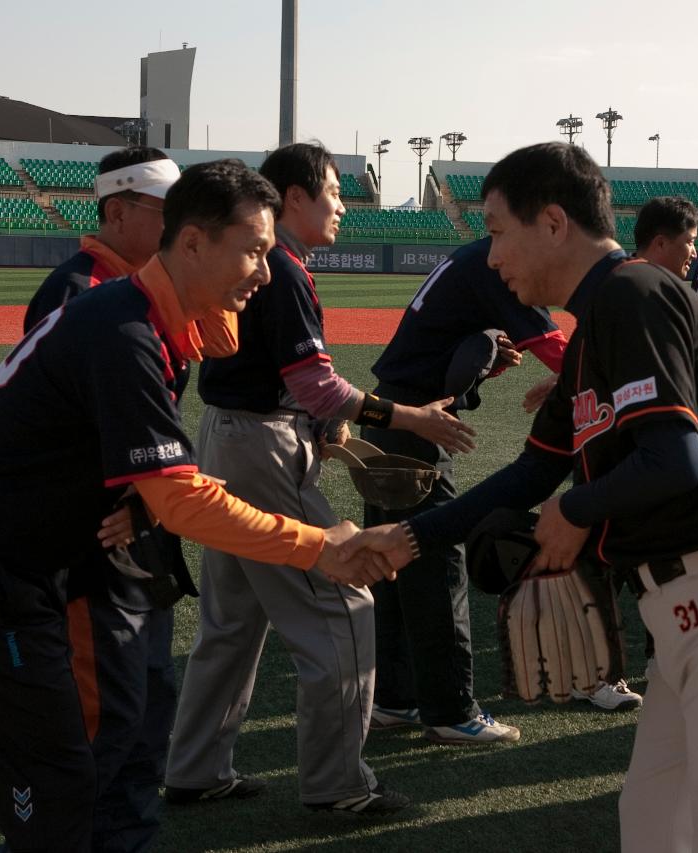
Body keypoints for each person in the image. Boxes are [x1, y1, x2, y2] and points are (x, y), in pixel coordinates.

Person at [0, 160, 390, 853]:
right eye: (256, 250)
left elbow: (139, 475)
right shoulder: (126, 332)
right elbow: (181, 499)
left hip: (3, 557)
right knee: (61, 791)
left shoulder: (152, 323)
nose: (266, 274)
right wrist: (319, 546)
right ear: (195, 243)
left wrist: (140, 501)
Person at [353, 141, 698, 852]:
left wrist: (574, 512)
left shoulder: (635, 296)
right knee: (652, 821)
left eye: (496, 230)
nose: (490, 256)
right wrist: (411, 539)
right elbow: (533, 470)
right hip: (695, 607)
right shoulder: (598, 320)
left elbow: (675, 458)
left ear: (551, 223)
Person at [163, 145, 466, 812]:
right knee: (343, 608)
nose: (341, 206)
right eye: (332, 192)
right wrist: (407, 416)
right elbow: (312, 380)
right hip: (261, 447)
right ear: (294, 197)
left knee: (232, 619)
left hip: (229, 434)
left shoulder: (267, 262)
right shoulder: (283, 266)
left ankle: (194, 768)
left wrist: (324, 427)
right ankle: (339, 787)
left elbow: (293, 382)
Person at [20, 147, 239, 851]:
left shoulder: (149, 293)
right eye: (165, 212)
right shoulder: (83, 293)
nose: (182, 226)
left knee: (145, 709)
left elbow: (210, 360)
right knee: (105, 723)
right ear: (117, 211)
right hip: (94, 543)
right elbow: (64, 435)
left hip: (137, 523)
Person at [364, 234, 600, 735]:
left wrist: (489, 365)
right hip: (417, 421)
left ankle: (395, 698)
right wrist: (597, 377)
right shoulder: (497, 261)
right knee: (435, 562)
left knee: (393, 566)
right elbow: (557, 348)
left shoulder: (474, 256)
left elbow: (459, 350)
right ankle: (451, 712)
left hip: (392, 415)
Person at [632, 195, 698, 279]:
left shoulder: (618, 278)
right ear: (661, 244)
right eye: (690, 242)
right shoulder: (640, 288)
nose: (694, 254)